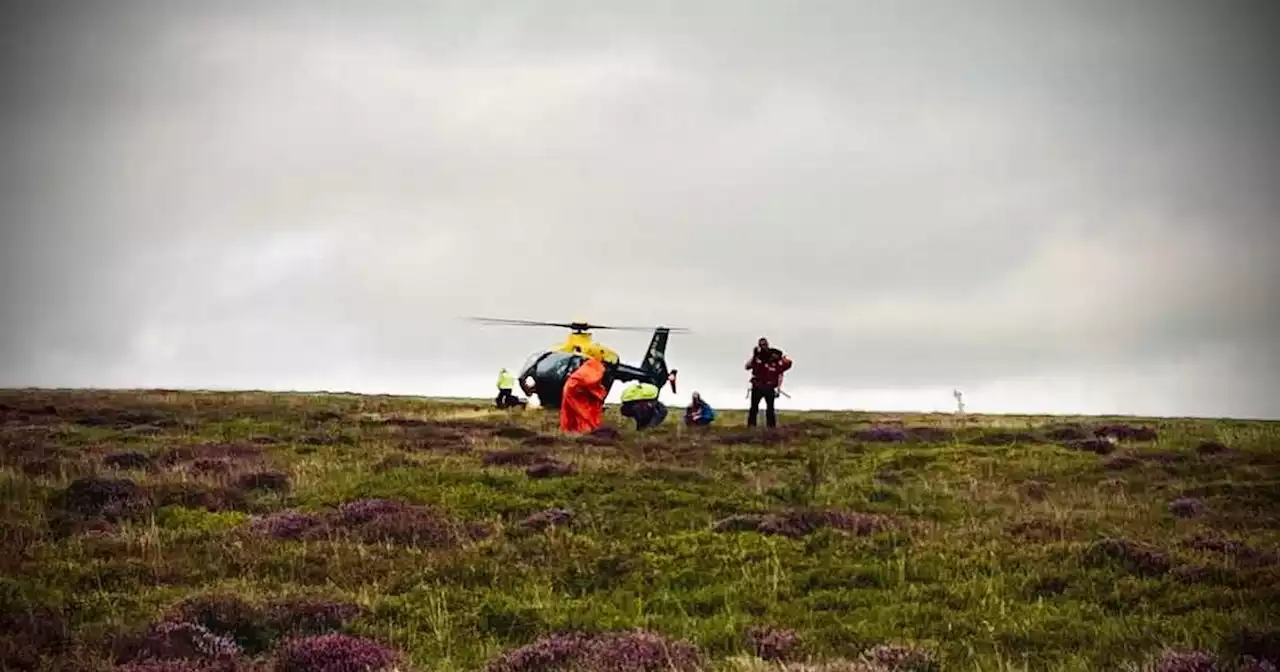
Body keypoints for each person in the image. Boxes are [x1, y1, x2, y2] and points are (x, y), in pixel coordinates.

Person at [559, 345, 608, 433]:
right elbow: (591, 383)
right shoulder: (596, 366)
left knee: (570, 412)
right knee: (584, 412)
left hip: (571, 388)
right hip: (576, 391)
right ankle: (586, 430)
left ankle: (569, 430)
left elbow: (589, 382)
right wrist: (600, 394)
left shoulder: (587, 365)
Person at [746, 337, 792, 428]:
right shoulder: (758, 357)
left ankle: (771, 429)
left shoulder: (776, 359)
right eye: (761, 345)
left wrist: (778, 388)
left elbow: (782, 371)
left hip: (769, 386)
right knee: (753, 408)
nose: (763, 347)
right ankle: (751, 427)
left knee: (770, 409)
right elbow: (747, 366)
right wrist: (754, 356)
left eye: (765, 344)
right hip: (757, 385)